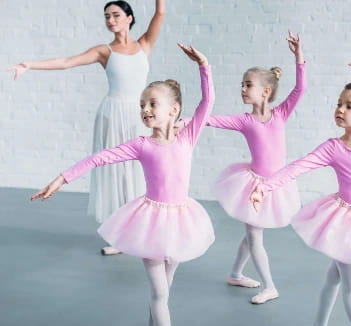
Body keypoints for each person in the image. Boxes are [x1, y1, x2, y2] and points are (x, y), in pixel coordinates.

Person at [31, 44, 214, 326]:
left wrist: (204, 66)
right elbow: (99, 158)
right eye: (142, 105)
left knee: (163, 293)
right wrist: (61, 178)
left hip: (181, 221)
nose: (145, 109)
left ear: (173, 110)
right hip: (151, 223)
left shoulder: (187, 137)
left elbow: (207, 102)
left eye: (153, 103)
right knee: (160, 292)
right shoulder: (141, 145)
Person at [250, 56, 351, 326]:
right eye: (338, 104)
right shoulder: (333, 147)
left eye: (348, 105)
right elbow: (298, 167)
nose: (340, 109)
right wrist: (265, 186)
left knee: (333, 279)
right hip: (344, 221)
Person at [9, 0, 166, 255]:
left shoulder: (144, 44)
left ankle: (144, 231)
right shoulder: (104, 51)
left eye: (116, 15)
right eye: (107, 16)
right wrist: (28, 65)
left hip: (139, 115)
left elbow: (160, 12)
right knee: (117, 173)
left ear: (129, 17)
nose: (111, 20)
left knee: (140, 171)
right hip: (112, 115)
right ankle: (121, 237)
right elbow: (66, 62)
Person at [206, 31, 305, 304]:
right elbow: (212, 120)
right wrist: (186, 121)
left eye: (247, 84)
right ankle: (269, 285)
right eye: (241, 84)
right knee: (254, 234)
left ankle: (236, 273)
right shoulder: (244, 120)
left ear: (265, 91)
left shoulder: (281, 113)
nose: (242, 89)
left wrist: (298, 56)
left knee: (253, 233)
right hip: (254, 185)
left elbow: (300, 90)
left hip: (277, 184)